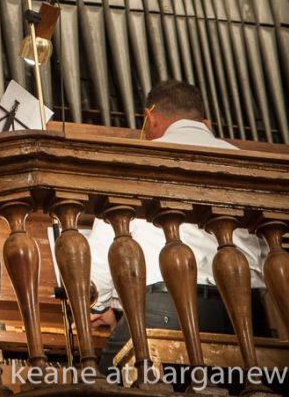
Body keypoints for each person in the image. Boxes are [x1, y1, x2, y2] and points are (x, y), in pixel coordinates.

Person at [87, 79, 269, 371]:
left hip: (166, 312)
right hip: (247, 316)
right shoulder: (250, 163)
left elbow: (101, 257)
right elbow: (264, 249)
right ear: (205, 123)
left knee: (106, 382)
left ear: (150, 117)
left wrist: (100, 306)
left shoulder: (131, 161)